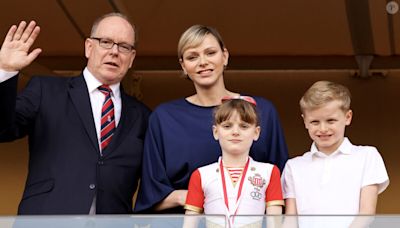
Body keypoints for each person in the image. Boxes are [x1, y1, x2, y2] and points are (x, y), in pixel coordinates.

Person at [0, 13, 150, 214]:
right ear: (89, 47)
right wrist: (6, 71)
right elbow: (3, 129)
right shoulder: (46, 90)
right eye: (105, 42)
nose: (114, 52)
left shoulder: (143, 116)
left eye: (124, 47)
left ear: (131, 58)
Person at [134, 25, 288, 213]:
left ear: (225, 56)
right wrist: (197, 195)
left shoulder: (260, 110)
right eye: (192, 57)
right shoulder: (164, 118)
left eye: (210, 53)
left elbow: (283, 188)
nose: (203, 62)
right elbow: (151, 197)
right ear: (183, 65)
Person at [281, 81, 389, 226]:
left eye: (331, 120)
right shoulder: (293, 166)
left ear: (348, 117)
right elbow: (290, 220)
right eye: (314, 122)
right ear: (305, 121)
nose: (323, 128)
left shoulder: (367, 156)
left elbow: (366, 213)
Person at [183, 97, 283, 228]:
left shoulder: (269, 172)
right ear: (216, 132)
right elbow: (189, 225)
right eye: (227, 126)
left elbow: (274, 224)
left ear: (256, 132)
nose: (235, 132)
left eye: (244, 126)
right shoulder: (201, 175)